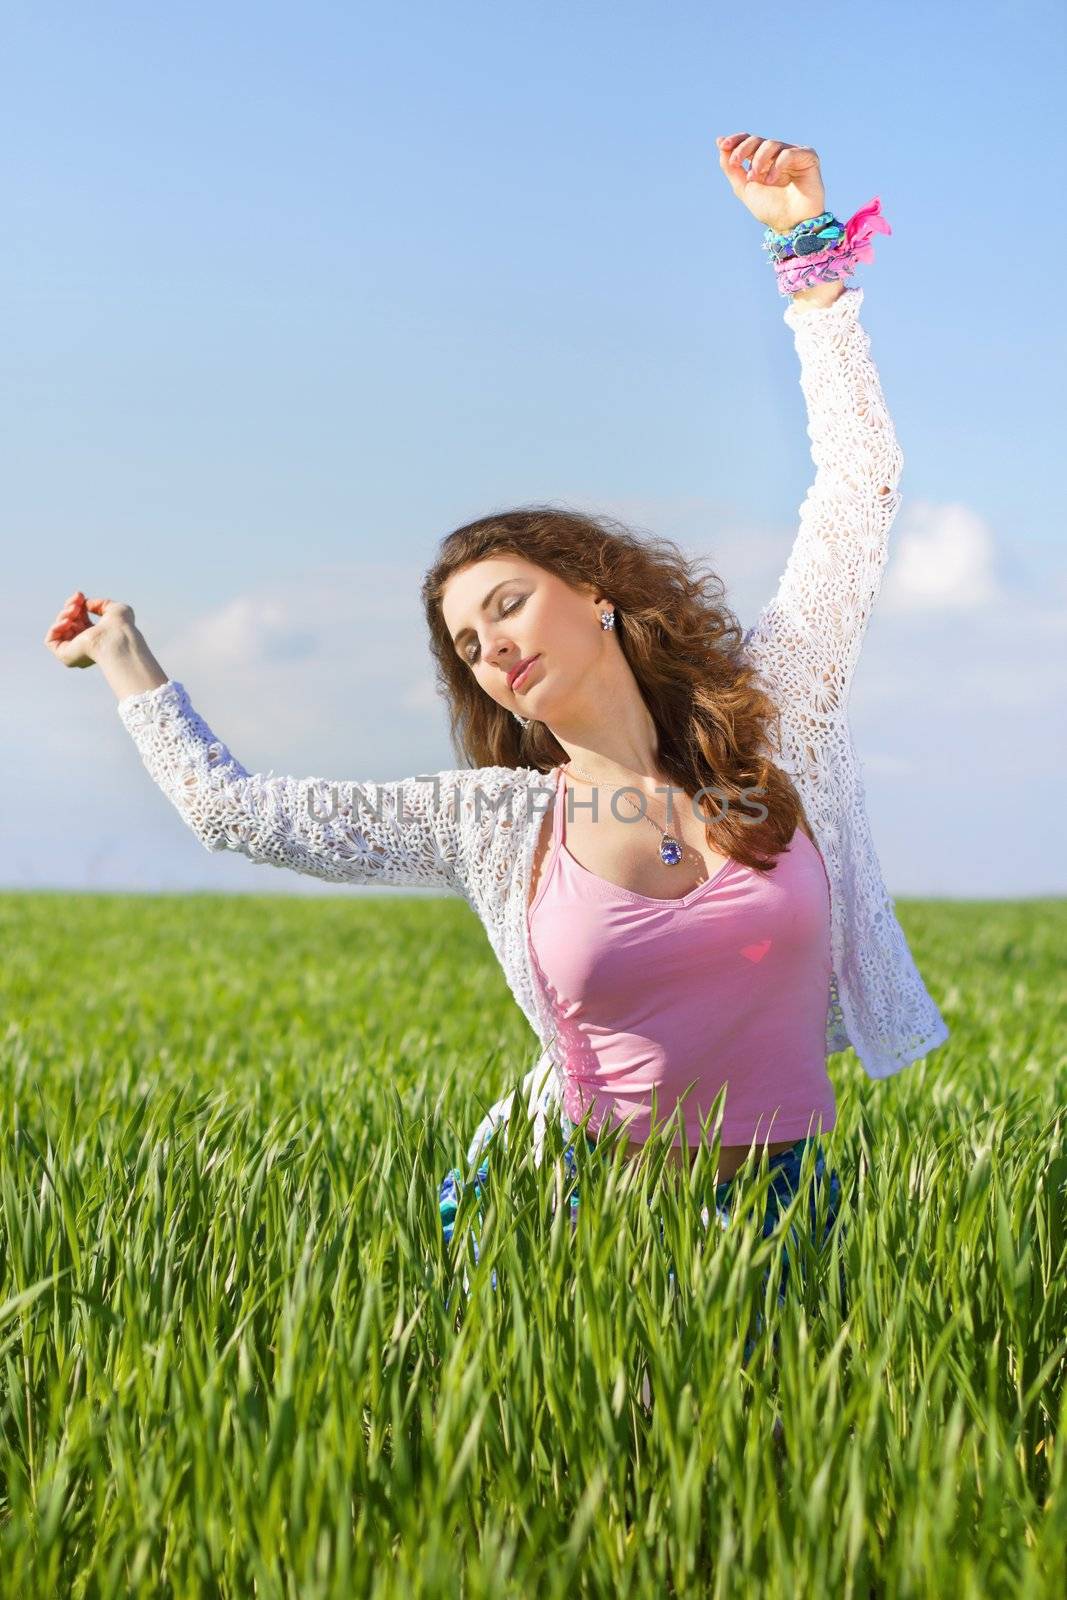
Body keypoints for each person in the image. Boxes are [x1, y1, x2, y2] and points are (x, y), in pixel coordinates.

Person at [44, 130, 947, 1318]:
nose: (492, 646)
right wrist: (126, 660)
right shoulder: (496, 821)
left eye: (506, 604)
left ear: (599, 592)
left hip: (784, 1214)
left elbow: (857, 482)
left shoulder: (779, 716)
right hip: (569, 1221)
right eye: (468, 645)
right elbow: (235, 813)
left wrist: (804, 252)